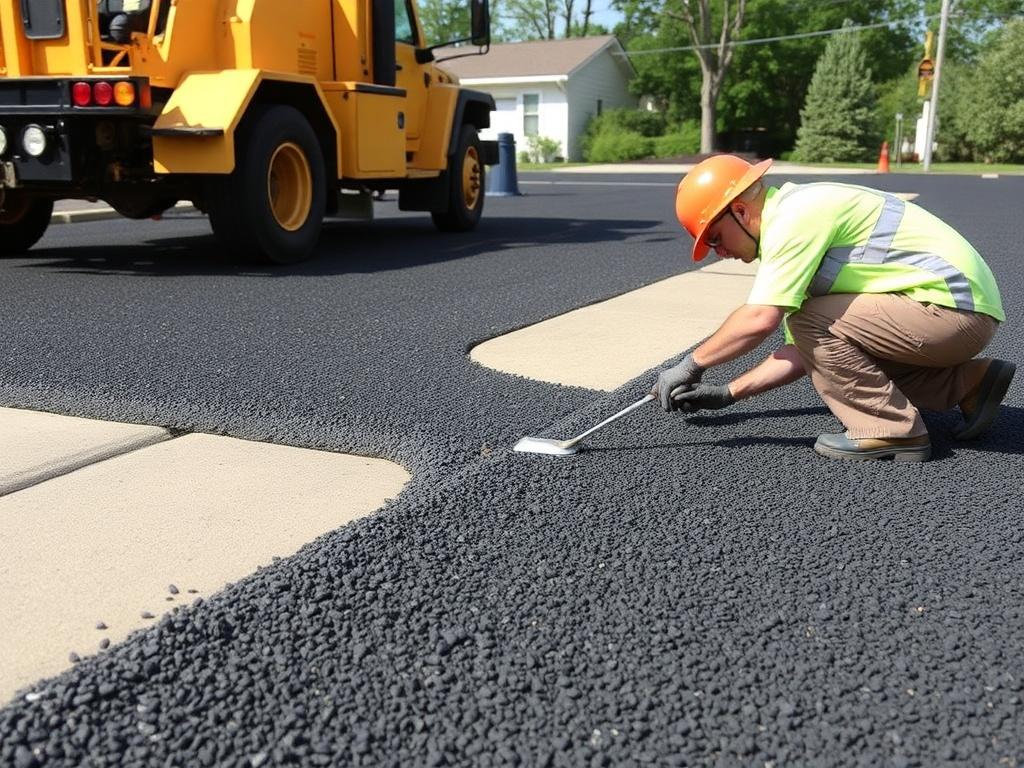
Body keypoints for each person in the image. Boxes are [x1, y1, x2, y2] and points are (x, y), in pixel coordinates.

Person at [653, 154, 1014, 462]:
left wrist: (692, 364)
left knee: (811, 320)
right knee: (830, 351)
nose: (718, 251)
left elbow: (759, 319)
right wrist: (729, 393)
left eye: (715, 238)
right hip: (957, 310)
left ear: (741, 211)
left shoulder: (794, 219)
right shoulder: (797, 214)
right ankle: (970, 385)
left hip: (950, 311)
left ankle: (891, 430)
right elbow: (804, 352)